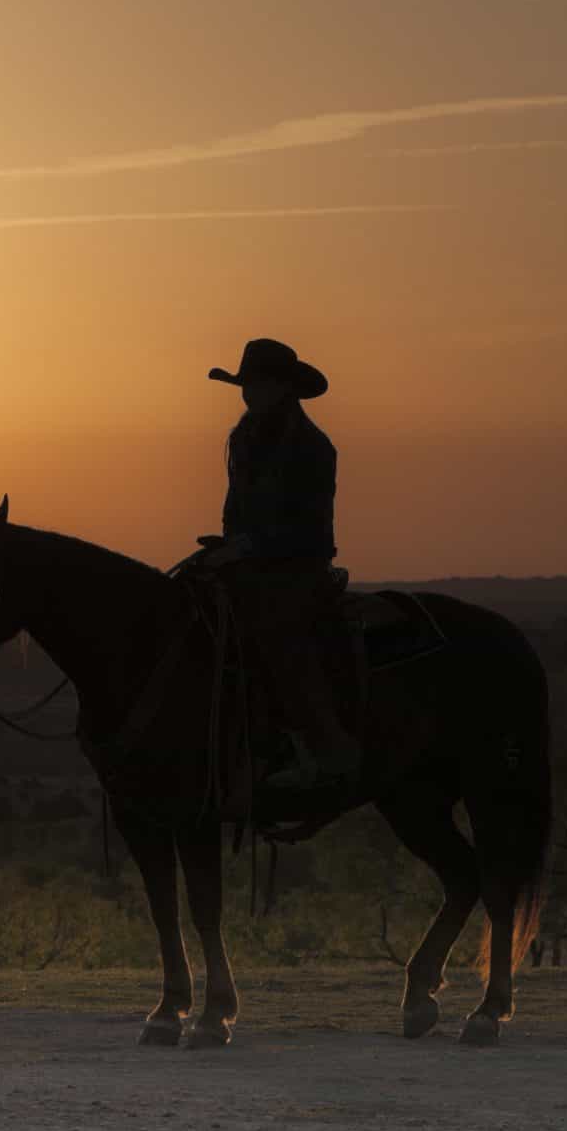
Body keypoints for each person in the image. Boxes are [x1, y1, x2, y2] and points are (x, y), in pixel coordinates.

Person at [202, 337, 359, 792]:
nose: (248, 394)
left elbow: (308, 530)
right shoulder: (243, 440)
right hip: (247, 563)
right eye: (245, 385)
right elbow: (235, 510)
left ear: (284, 389)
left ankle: (321, 748)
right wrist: (226, 546)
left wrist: (247, 548)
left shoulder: (312, 448)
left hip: (297, 568)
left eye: (258, 384)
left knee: (275, 630)